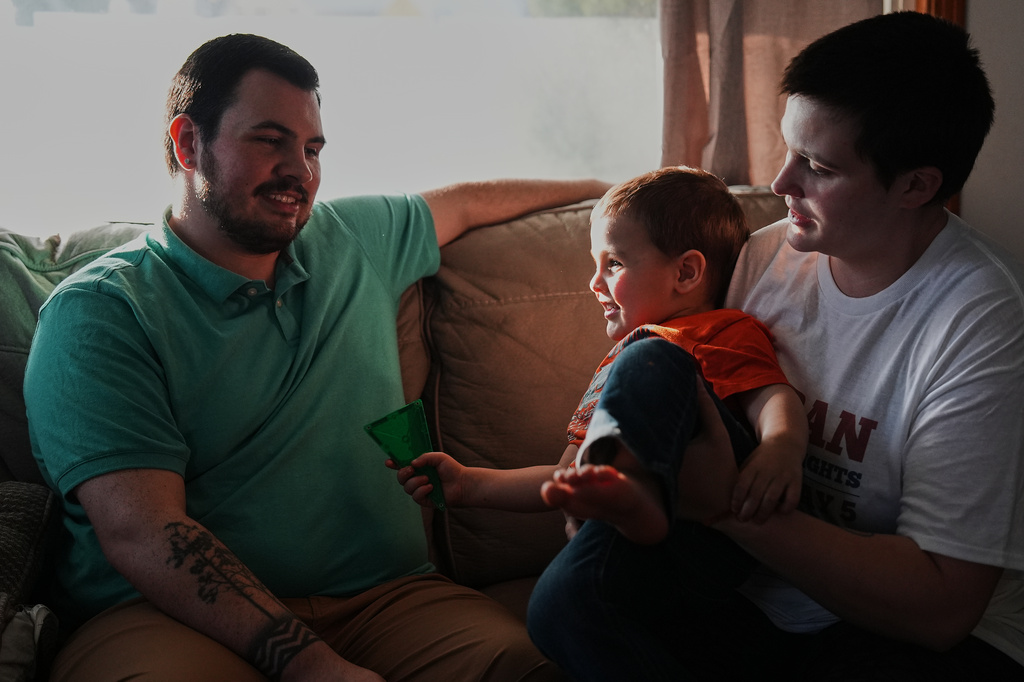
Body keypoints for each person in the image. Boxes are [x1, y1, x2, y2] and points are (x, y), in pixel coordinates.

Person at [23, 33, 612, 682]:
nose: (300, 172)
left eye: (311, 148)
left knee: (544, 669)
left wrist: (620, 192)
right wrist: (311, 666)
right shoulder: (101, 312)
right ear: (189, 143)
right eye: (269, 141)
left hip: (388, 599)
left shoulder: (352, 238)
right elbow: (146, 533)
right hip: (163, 616)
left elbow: (468, 203)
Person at [528, 11, 1024, 680]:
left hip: (902, 633)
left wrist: (728, 505)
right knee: (563, 606)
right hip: (750, 587)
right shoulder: (764, 257)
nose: (780, 183)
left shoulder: (982, 323)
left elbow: (939, 609)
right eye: (787, 148)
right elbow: (683, 390)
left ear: (916, 185)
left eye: (817, 166)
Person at [393, 166, 806, 626]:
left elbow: (771, 397)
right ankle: (624, 510)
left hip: (713, 539)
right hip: (647, 568)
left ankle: (640, 495)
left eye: (613, 264)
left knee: (650, 357)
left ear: (686, 272)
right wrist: (470, 485)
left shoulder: (718, 332)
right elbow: (568, 476)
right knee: (556, 612)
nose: (594, 282)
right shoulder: (618, 366)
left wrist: (780, 448)